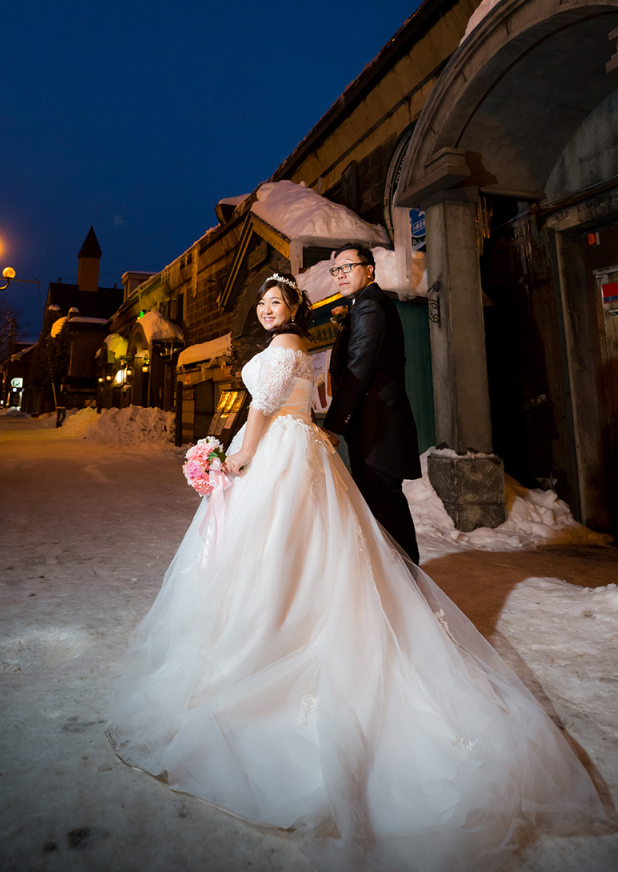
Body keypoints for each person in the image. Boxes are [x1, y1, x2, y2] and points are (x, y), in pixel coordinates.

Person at [109, 273, 604, 872]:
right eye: (262, 304)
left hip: (278, 452)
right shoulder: (299, 351)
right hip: (302, 448)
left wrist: (235, 455)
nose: (268, 311)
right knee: (309, 551)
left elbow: (264, 410)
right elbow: (309, 403)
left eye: (276, 302)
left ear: (294, 307)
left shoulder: (285, 351)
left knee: (279, 554)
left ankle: (271, 641)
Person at [322, 244, 421, 564]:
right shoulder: (362, 305)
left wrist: (333, 425)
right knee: (380, 513)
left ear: (370, 269)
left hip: (379, 429)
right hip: (371, 428)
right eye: (336, 269)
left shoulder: (370, 307)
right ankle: (399, 585)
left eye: (348, 266)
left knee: (386, 512)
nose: (340, 274)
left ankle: (409, 587)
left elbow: (358, 368)